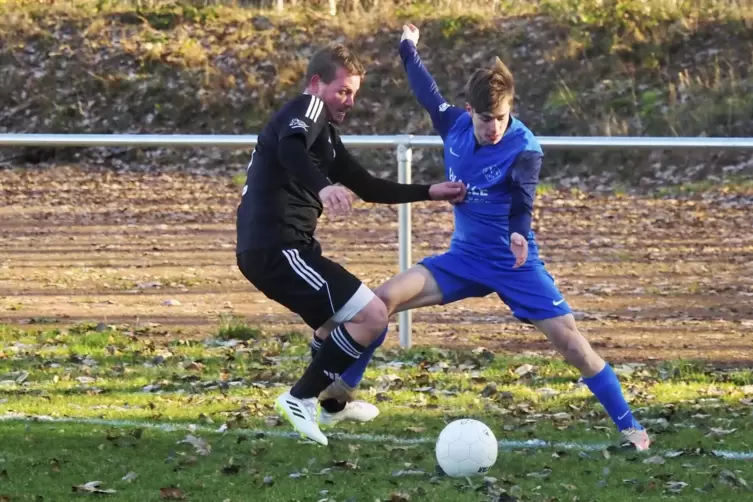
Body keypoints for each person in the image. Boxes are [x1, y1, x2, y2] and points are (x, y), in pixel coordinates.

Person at [316, 24, 651, 451]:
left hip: (514, 262)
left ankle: (631, 429)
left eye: (501, 117)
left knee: (571, 342)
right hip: (463, 258)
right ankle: (345, 390)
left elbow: (523, 199)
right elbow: (423, 88)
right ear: (468, 109)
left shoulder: (524, 145)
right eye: (485, 118)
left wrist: (517, 234)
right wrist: (407, 47)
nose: (494, 127)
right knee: (381, 302)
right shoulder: (452, 125)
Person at [235, 42, 466, 446]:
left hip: (276, 248)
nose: (349, 101)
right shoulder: (306, 108)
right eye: (343, 91)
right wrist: (323, 189)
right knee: (373, 315)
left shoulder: (324, 133)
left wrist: (431, 191)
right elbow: (290, 150)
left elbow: (368, 186)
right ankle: (299, 398)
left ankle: (329, 403)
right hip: (279, 247)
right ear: (316, 84)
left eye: (355, 93)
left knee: (335, 327)